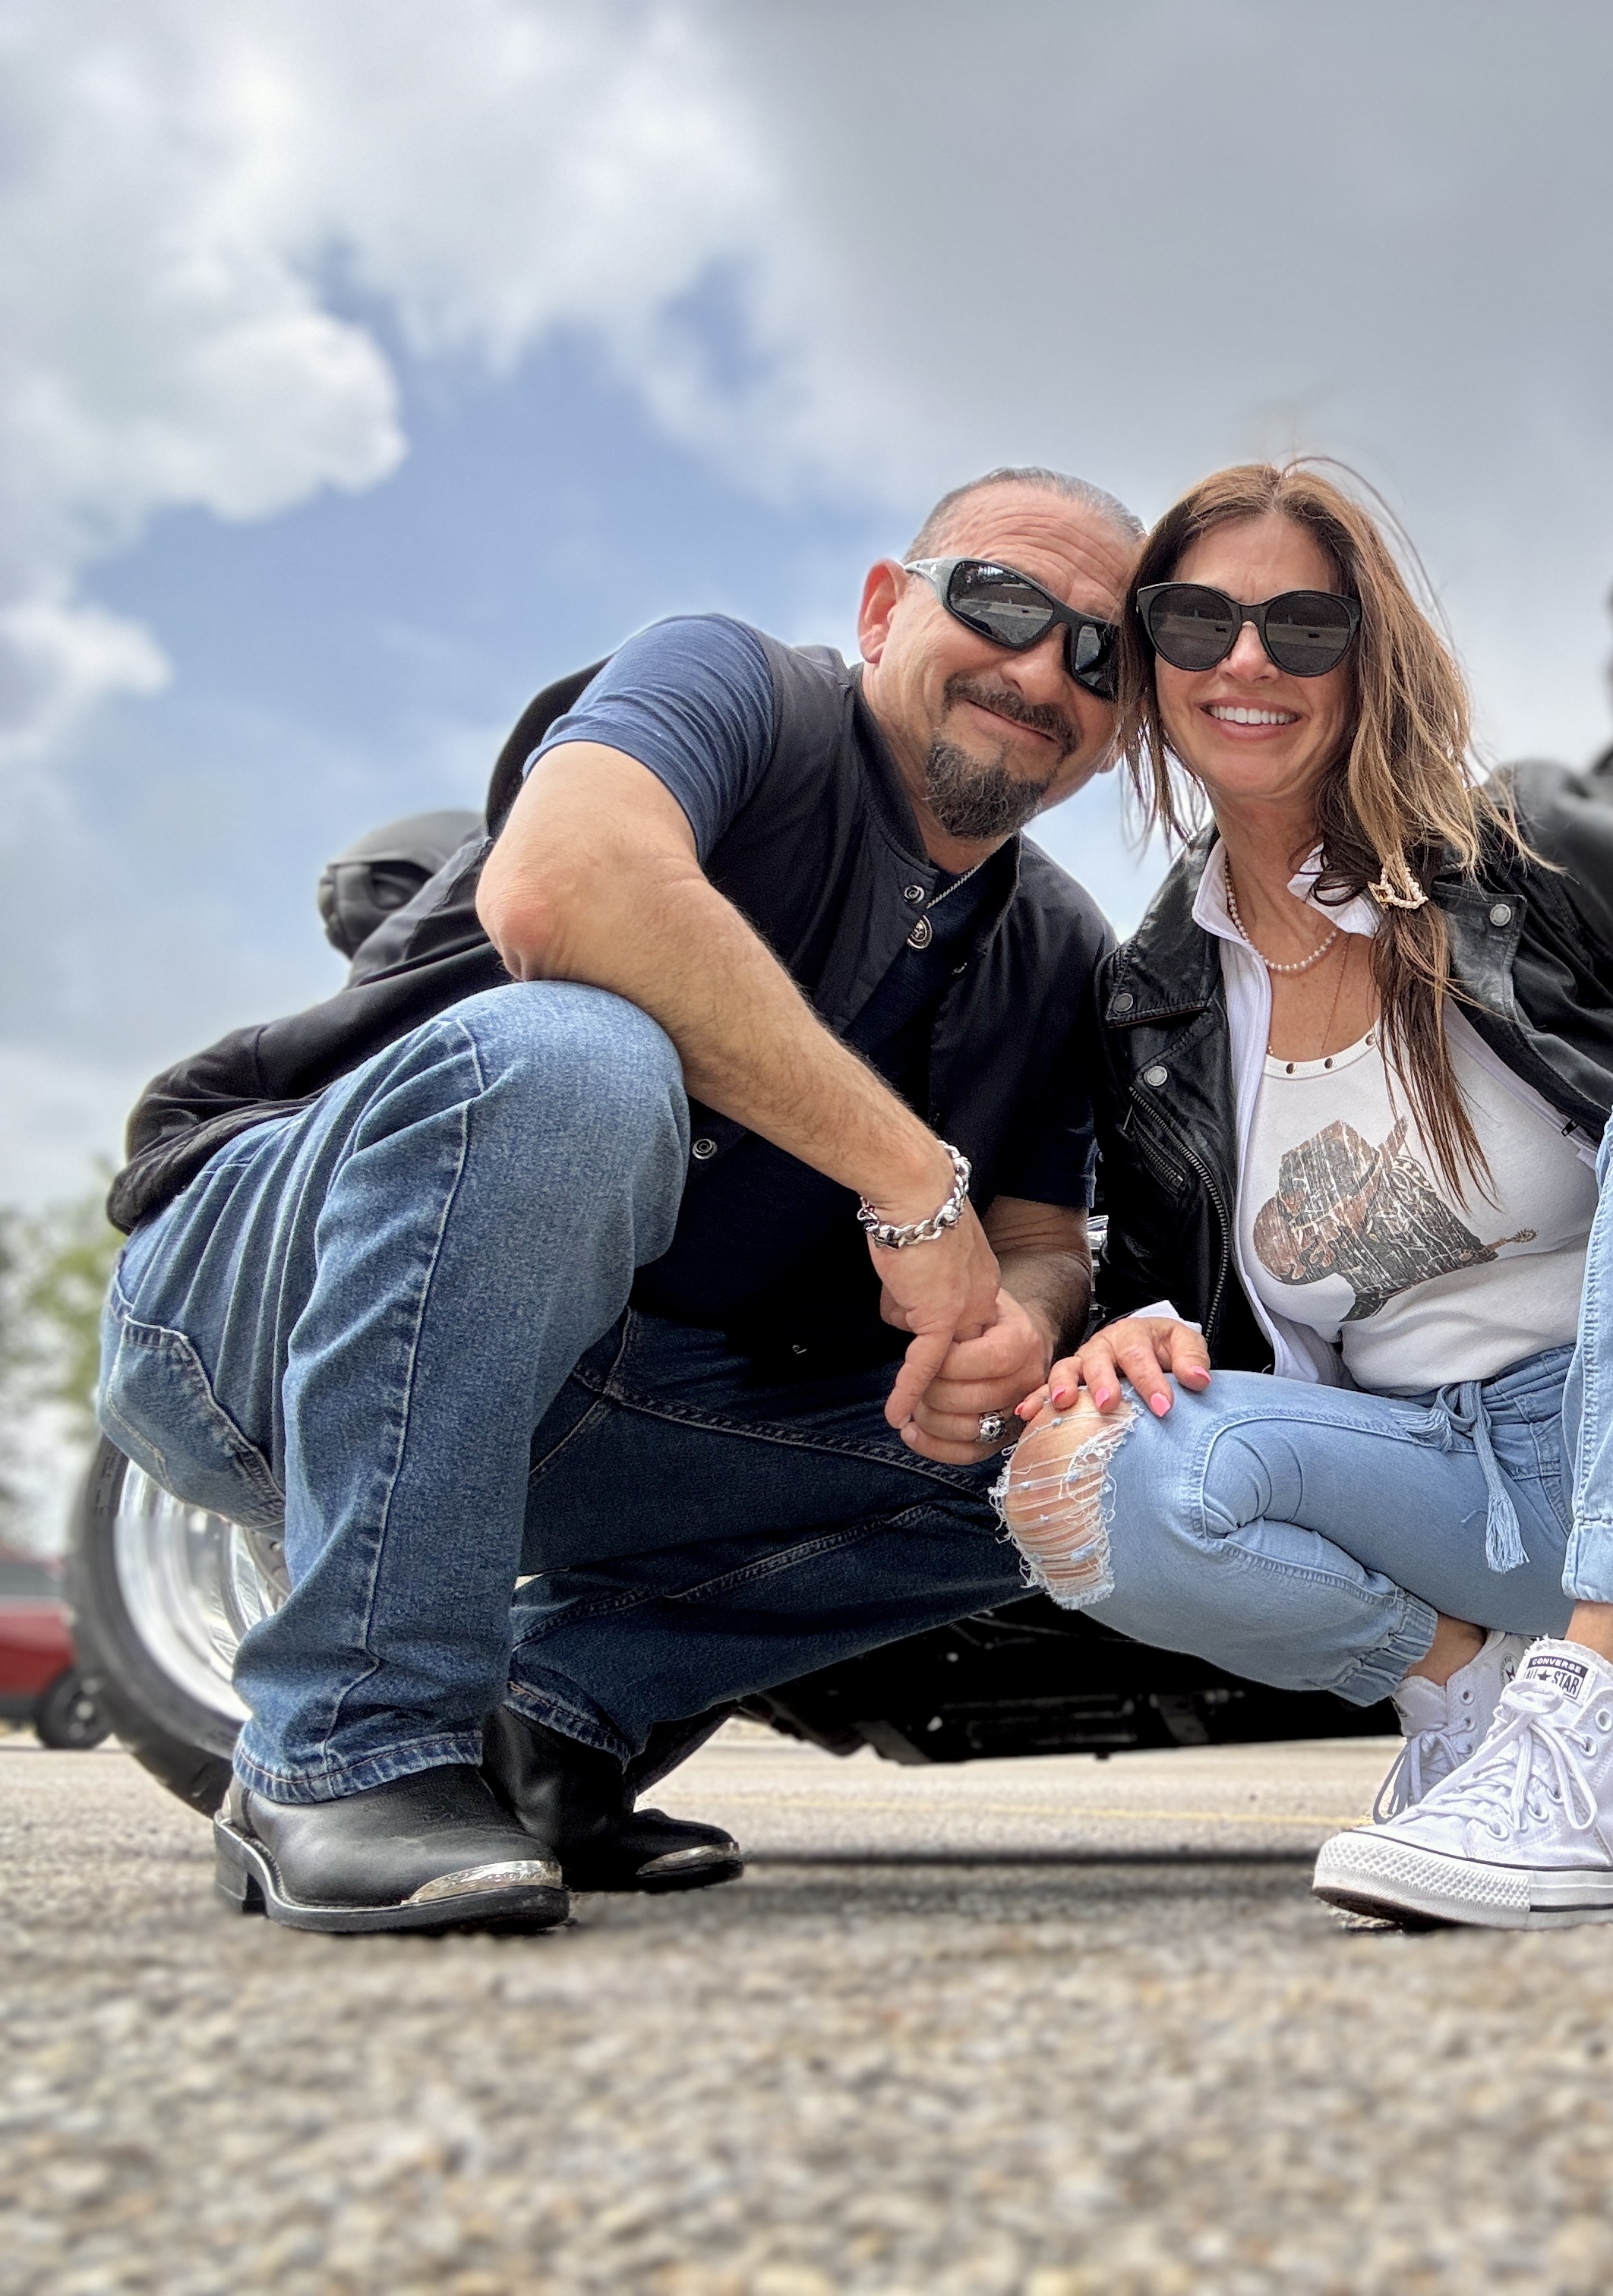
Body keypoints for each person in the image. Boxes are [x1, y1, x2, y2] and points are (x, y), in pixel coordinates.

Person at [98, 467, 1138, 1934]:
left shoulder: (1053, 947)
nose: (1044, 669)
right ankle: (343, 1751)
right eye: (1005, 603)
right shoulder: (735, 686)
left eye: (1101, 656)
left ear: (1118, 730)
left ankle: (554, 1728)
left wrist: (1014, 1332)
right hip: (255, 1326)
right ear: (886, 608)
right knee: (579, 1058)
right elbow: (568, 885)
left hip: (618, 1406)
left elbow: (1036, 1239)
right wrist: (911, 1181)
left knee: (1112, 1457)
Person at [1009, 461, 1613, 1929]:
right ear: (1152, 656)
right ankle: (1471, 1707)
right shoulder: (1148, 996)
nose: (1246, 660)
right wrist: (1125, 1336)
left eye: (1303, 625)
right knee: (1085, 1467)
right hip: (1429, 1478)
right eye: (1197, 619)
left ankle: (1593, 1749)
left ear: (1371, 656)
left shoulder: (1541, 849)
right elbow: (1184, 1306)